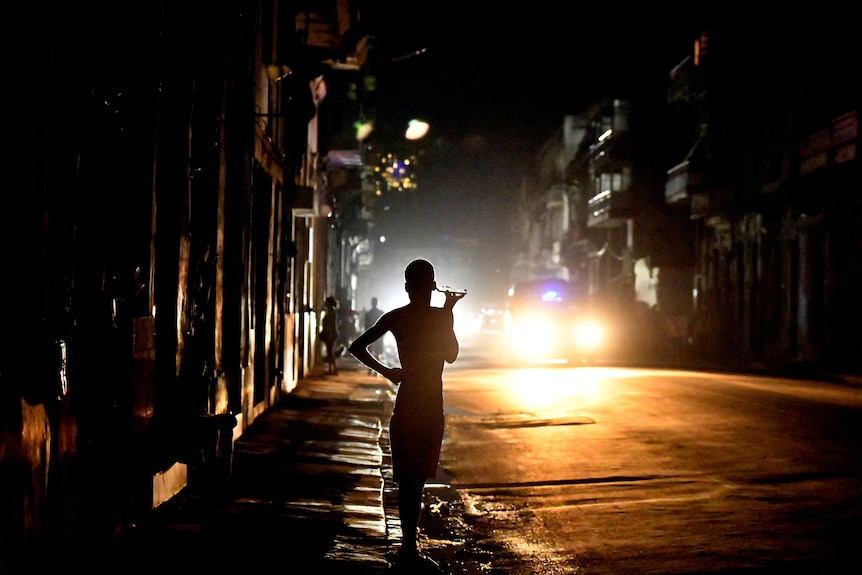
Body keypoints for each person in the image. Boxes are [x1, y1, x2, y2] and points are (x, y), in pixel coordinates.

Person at [349, 259, 466, 569]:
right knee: (417, 479)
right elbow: (451, 356)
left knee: (406, 479)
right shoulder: (439, 318)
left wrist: (388, 372)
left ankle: (408, 547)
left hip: (407, 402)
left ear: (406, 287)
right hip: (430, 406)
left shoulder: (396, 317)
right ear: (433, 287)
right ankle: (409, 549)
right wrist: (449, 312)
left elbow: (357, 347)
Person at [362, 297, 386, 373]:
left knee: (370, 352)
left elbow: (365, 325)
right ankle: (377, 370)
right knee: (378, 352)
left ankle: (370, 369)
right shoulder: (381, 313)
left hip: (370, 335)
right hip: (379, 334)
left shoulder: (368, 314)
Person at [320, 296, 339, 374]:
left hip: (330, 334)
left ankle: (332, 369)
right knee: (330, 352)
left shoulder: (331, 312)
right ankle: (332, 369)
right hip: (330, 334)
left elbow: (330, 325)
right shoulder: (330, 311)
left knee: (330, 352)